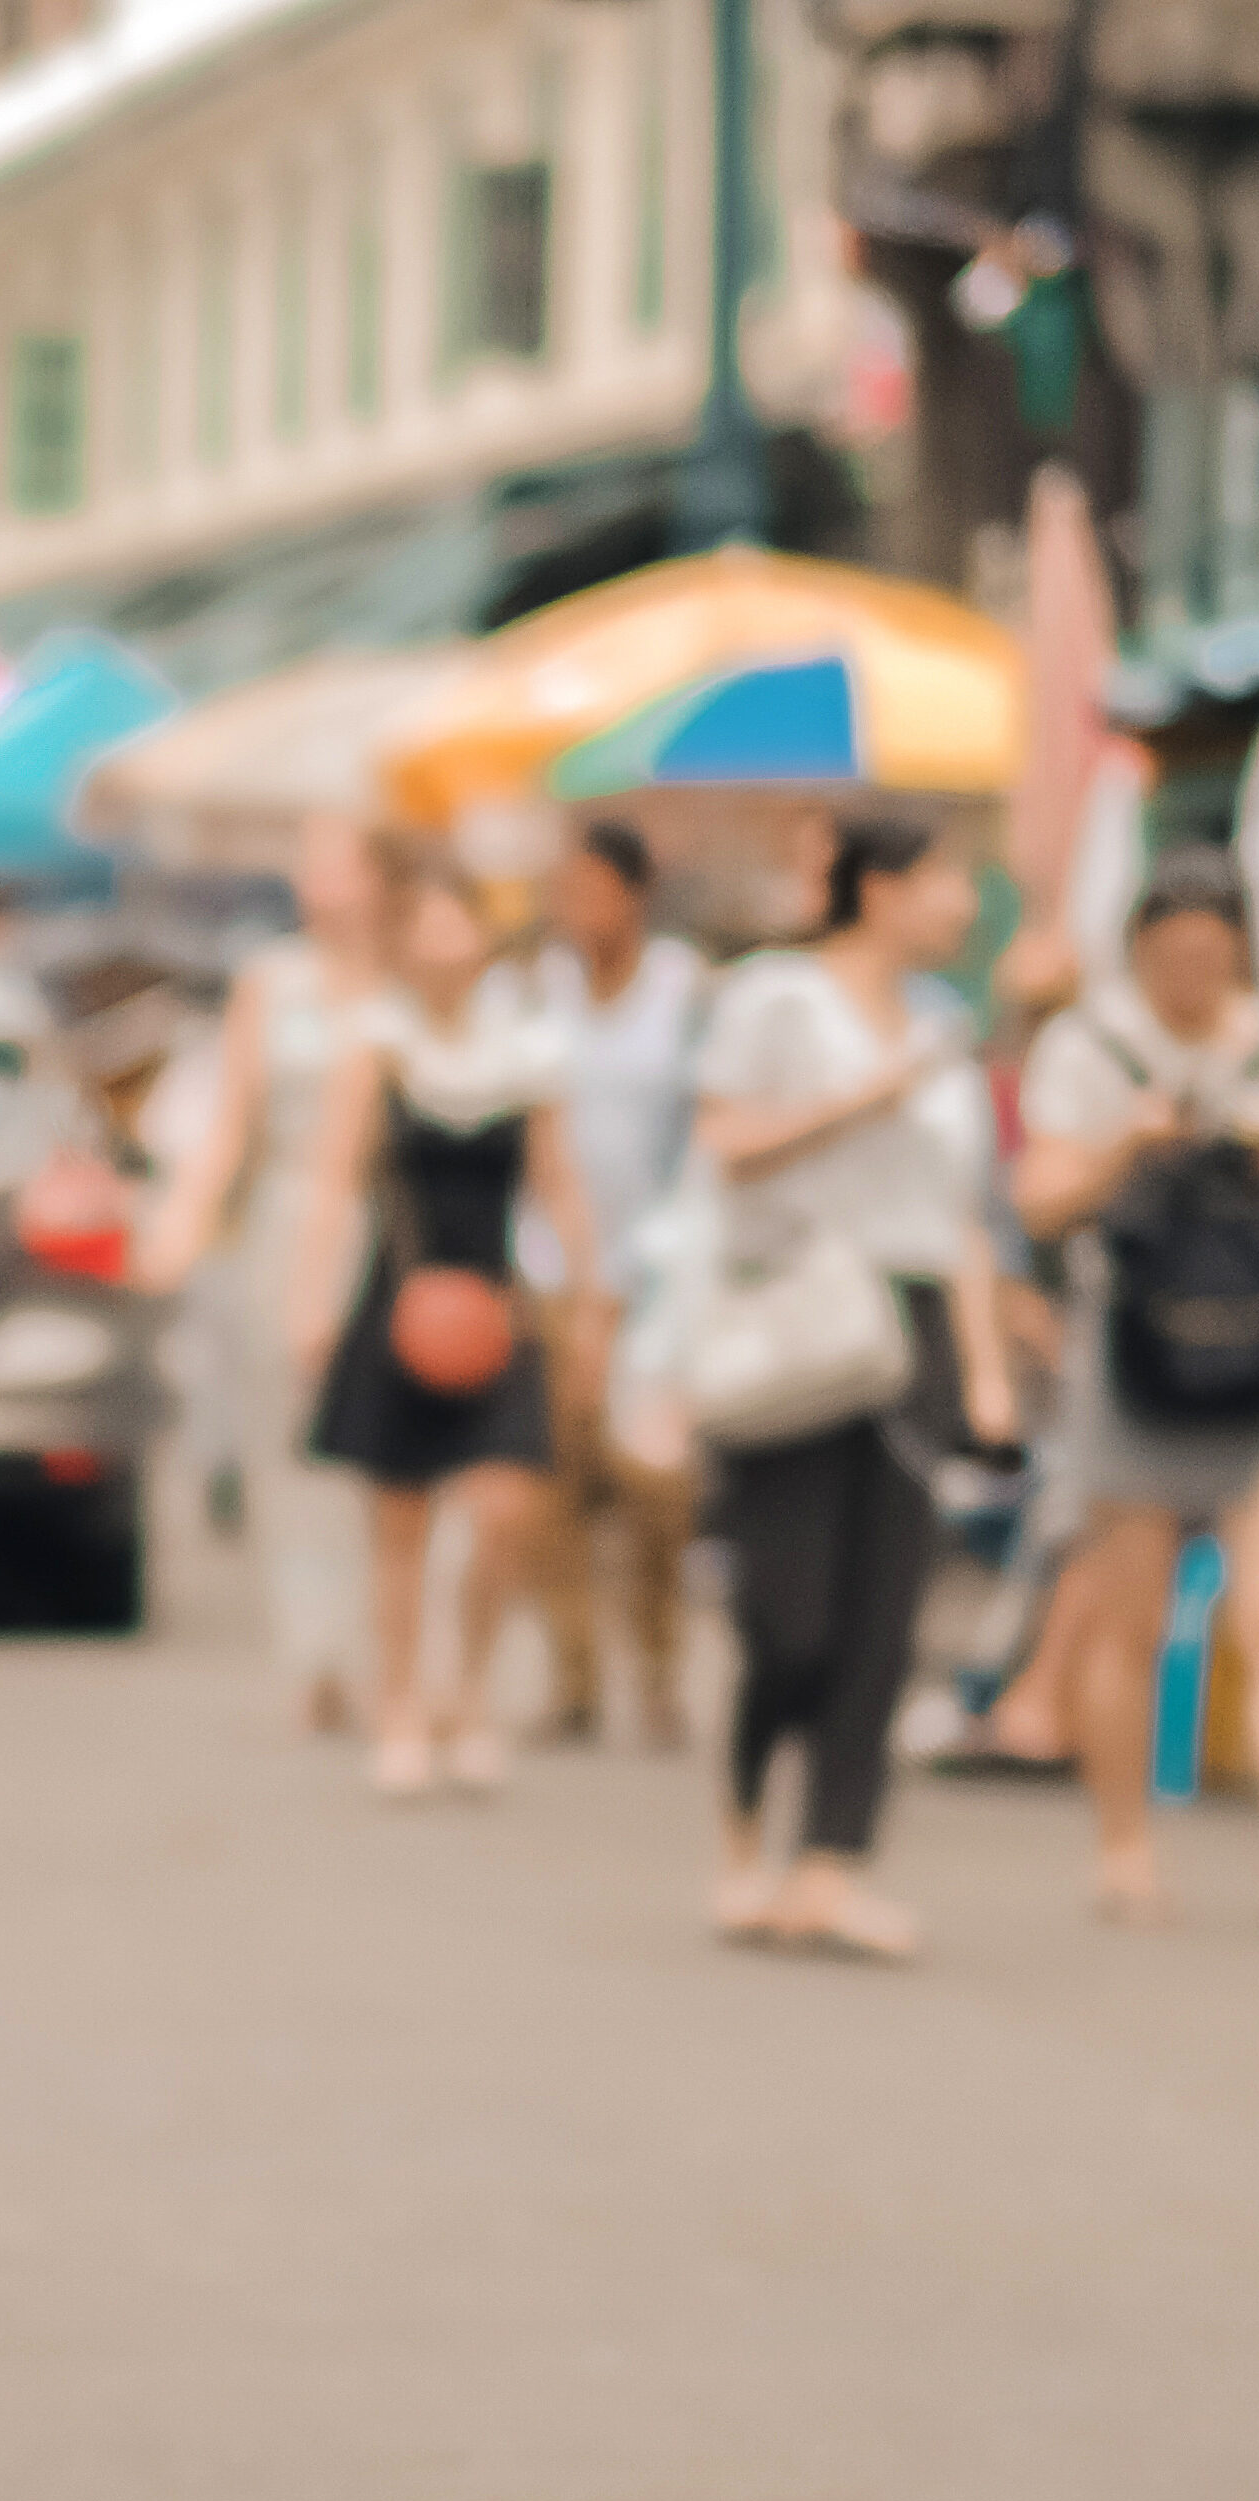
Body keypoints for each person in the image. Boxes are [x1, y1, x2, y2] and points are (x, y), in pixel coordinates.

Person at [1014, 848, 1259, 1935]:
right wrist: (1129, 1144)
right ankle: (1124, 1850)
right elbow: (1036, 1202)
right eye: (1174, 956)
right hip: (1137, 1360)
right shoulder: (1089, 1050)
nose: (1192, 974)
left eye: (1211, 955)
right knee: (1129, 1622)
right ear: (1139, 954)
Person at [688, 808, 1014, 1963]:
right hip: (797, 1313)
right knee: (789, 1613)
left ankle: (832, 1861)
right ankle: (742, 1828)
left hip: (911, 1320)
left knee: (885, 1605)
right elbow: (723, 1141)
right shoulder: (776, 998)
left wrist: (981, 1367)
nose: (965, 906)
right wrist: (859, 1101)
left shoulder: (942, 1026)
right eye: (948, 881)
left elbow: (959, 1212)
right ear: (878, 887)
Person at [285, 841, 592, 1796]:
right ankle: (402, 1705)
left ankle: (469, 1691)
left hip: (496, 1299)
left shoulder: (524, 1053)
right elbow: (334, 1183)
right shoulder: (377, 1049)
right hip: (400, 1299)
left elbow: (558, 1183)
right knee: (401, 1522)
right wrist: (313, 1300)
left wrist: (588, 1296)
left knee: (503, 1509)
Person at [138, 807, 395, 1733]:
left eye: (337, 865)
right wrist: (182, 1222)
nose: (317, 885)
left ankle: (388, 1648)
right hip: (287, 1220)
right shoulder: (270, 981)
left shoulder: (414, 978)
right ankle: (316, 1648)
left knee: (389, 1454)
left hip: (390, 1223)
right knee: (293, 1447)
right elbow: (231, 1125)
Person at [524, 816, 705, 1749]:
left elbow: (701, 1138)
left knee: (655, 1486)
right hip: (553, 1267)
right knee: (554, 1481)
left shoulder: (683, 991)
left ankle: (661, 1669)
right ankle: (572, 1676)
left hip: (658, 1275)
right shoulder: (537, 992)